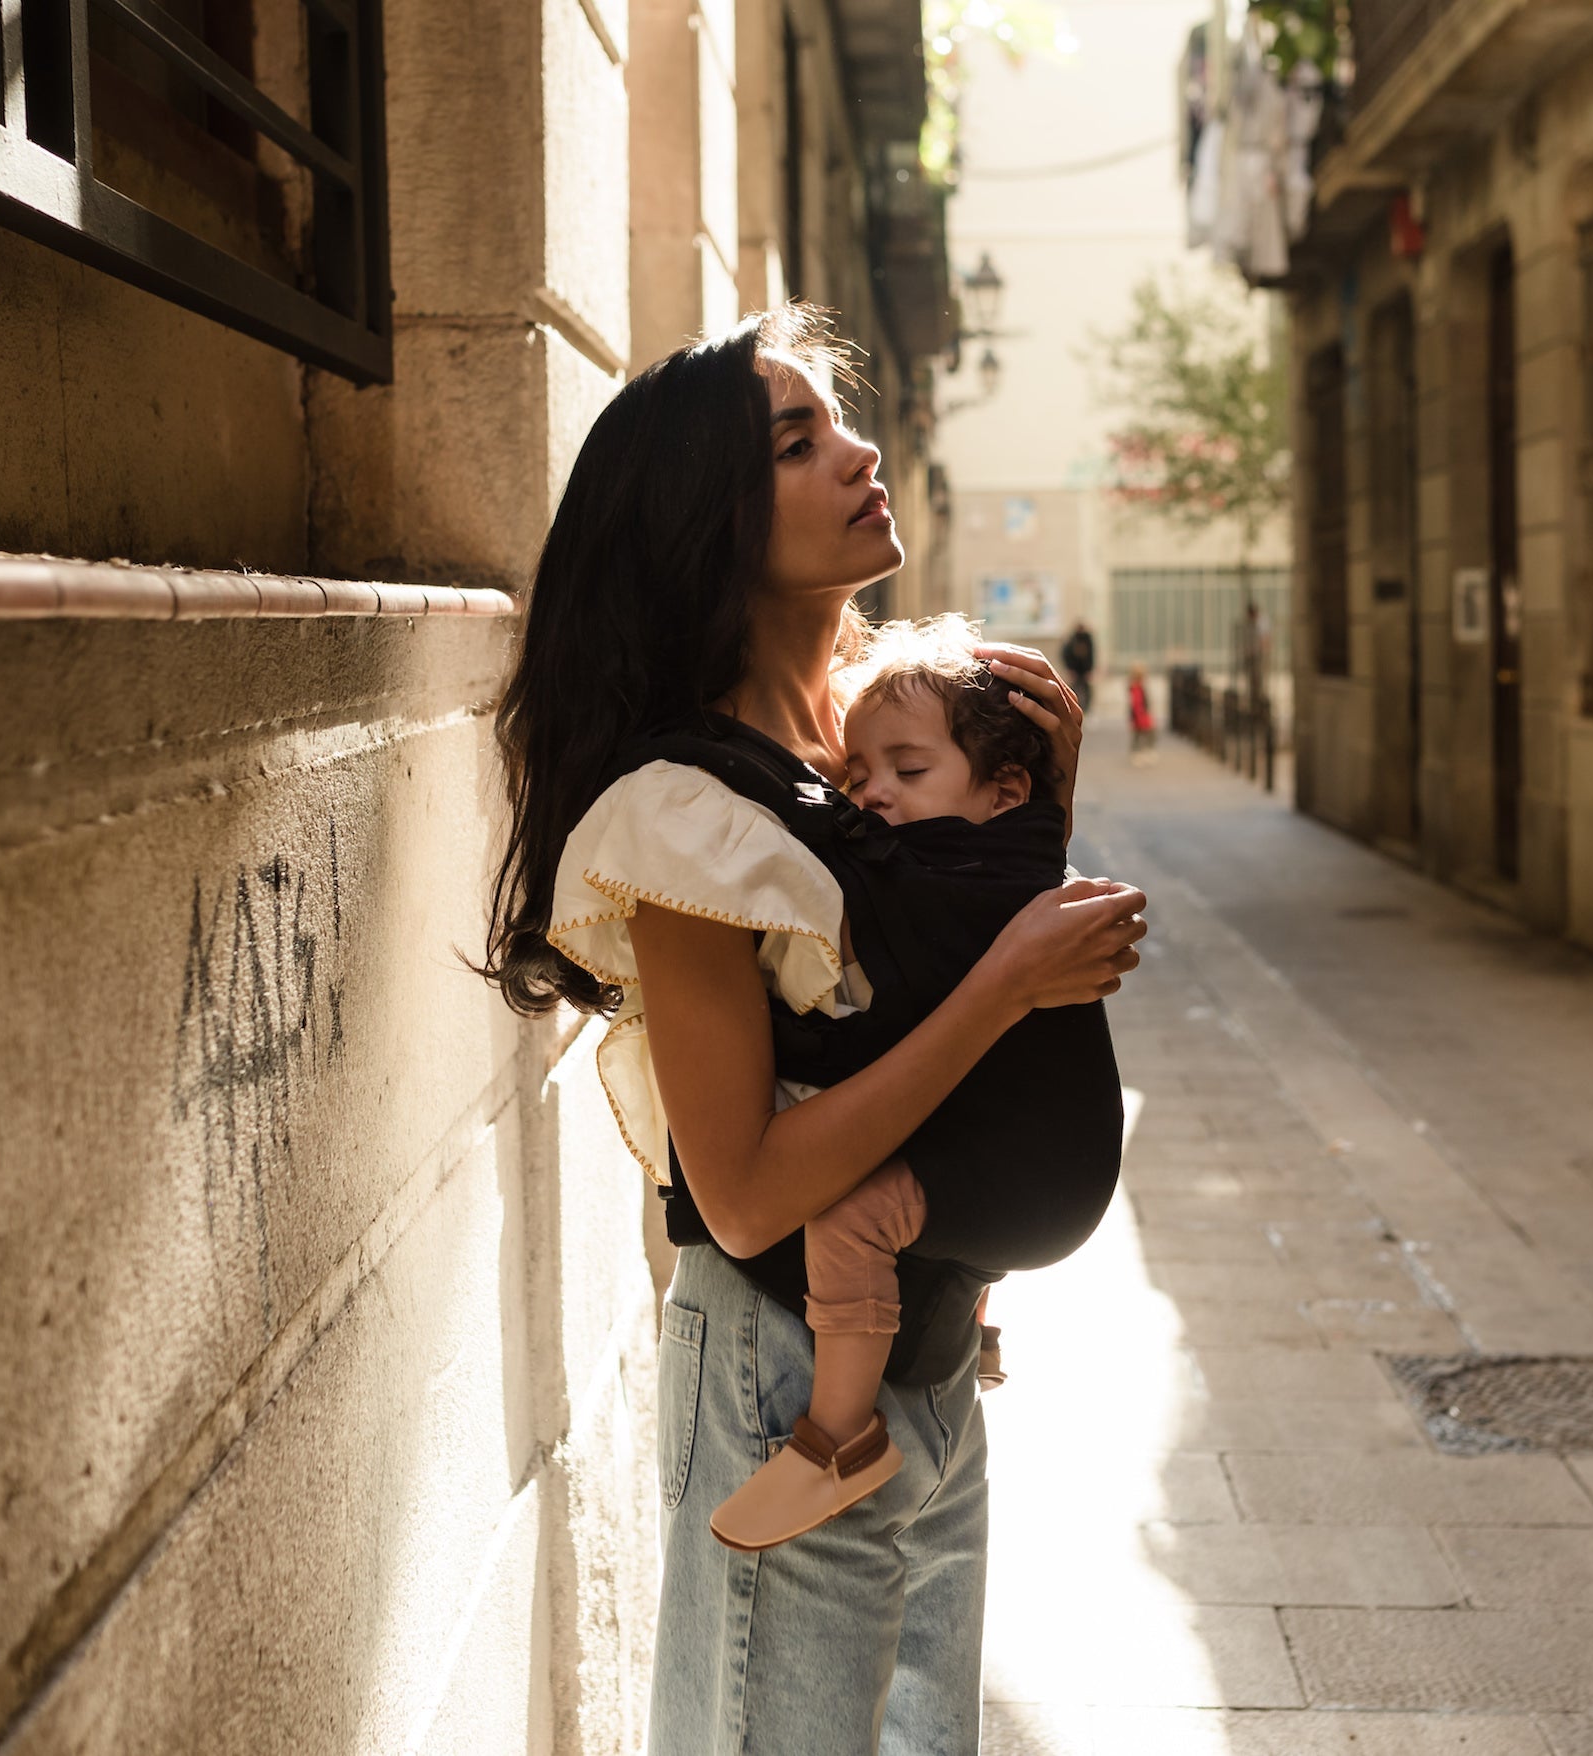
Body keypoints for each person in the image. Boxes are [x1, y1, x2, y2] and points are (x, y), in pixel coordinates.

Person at [478, 306, 1147, 1755]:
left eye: (839, 422)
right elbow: (748, 1189)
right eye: (798, 441)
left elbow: (933, 984)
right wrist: (1003, 981)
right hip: (785, 1371)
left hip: (923, 1351)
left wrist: (1023, 828)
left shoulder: (857, 760)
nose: (858, 451)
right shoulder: (686, 815)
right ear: (708, 526)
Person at [703, 614, 1127, 1553]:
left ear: (1002, 789)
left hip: (1032, 1182)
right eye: (858, 776)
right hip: (1044, 1174)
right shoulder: (1019, 852)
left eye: (910, 770)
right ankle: (976, 1333)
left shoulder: (934, 883)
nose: (875, 798)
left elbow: (879, 1012)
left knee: (853, 1217)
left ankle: (837, 1439)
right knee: (934, 1163)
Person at [1059, 620, 1097, 711]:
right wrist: (1070, 668)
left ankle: (1085, 708)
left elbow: (1091, 655)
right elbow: (1066, 654)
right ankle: (1075, 707)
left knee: (1086, 690)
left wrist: (1090, 668)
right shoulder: (1072, 640)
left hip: (1084, 670)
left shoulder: (1087, 640)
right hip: (1075, 670)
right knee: (1075, 690)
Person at [1127, 663, 1158, 760]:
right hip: (1141, 716)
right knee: (1145, 735)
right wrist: (1141, 716)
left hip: (1139, 716)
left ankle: (1139, 752)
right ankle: (1141, 752)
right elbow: (1137, 704)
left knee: (1139, 736)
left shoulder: (1136, 688)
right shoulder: (1137, 688)